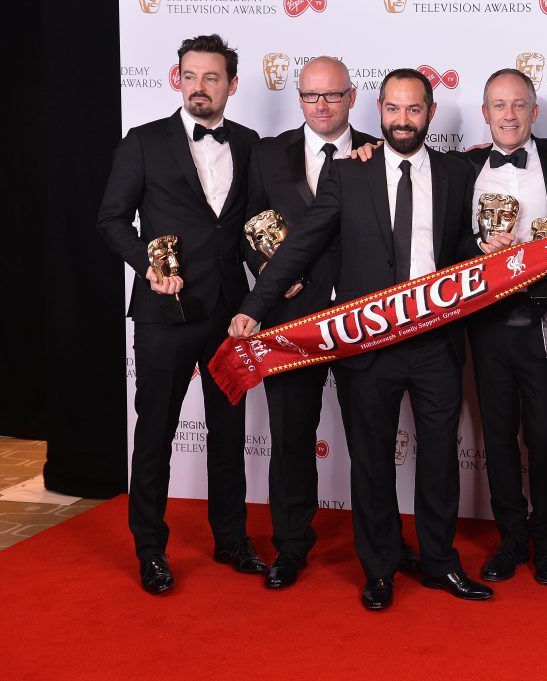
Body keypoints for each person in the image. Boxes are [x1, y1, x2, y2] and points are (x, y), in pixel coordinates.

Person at [229, 69, 513, 610]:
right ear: (378, 111)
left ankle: (439, 563)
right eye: (393, 110)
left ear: (429, 113)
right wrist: (253, 306)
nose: (402, 121)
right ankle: (379, 568)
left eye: (413, 110)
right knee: (372, 461)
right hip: (369, 342)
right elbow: (301, 246)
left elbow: (458, 248)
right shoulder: (347, 174)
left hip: (435, 341)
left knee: (439, 458)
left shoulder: (456, 172)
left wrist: (489, 254)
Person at [96, 34, 265, 594]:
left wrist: (274, 282)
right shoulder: (142, 142)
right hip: (163, 311)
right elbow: (112, 219)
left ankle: (232, 539)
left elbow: (246, 229)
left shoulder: (249, 142)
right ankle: (150, 549)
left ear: (231, 85)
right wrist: (148, 265)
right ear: (177, 80)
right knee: (156, 433)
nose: (200, 86)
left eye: (212, 77)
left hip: (227, 311)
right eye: (190, 76)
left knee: (229, 431)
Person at [244, 56, 420, 589]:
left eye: (332, 95)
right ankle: (291, 546)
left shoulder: (380, 148)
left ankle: (385, 544)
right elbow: (246, 226)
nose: (321, 106)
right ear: (299, 98)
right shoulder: (268, 154)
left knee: (371, 442)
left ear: (351, 97)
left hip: (363, 318)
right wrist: (266, 268)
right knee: (291, 435)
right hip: (293, 318)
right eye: (310, 96)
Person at [449, 68, 547, 586]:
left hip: (546, 320)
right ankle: (511, 538)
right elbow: (442, 239)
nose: (509, 115)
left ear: (534, 111)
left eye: (519, 104)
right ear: (485, 114)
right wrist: (478, 250)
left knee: (543, 435)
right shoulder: (463, 169)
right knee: (496, 435)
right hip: (489, 323)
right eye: (499, 105)